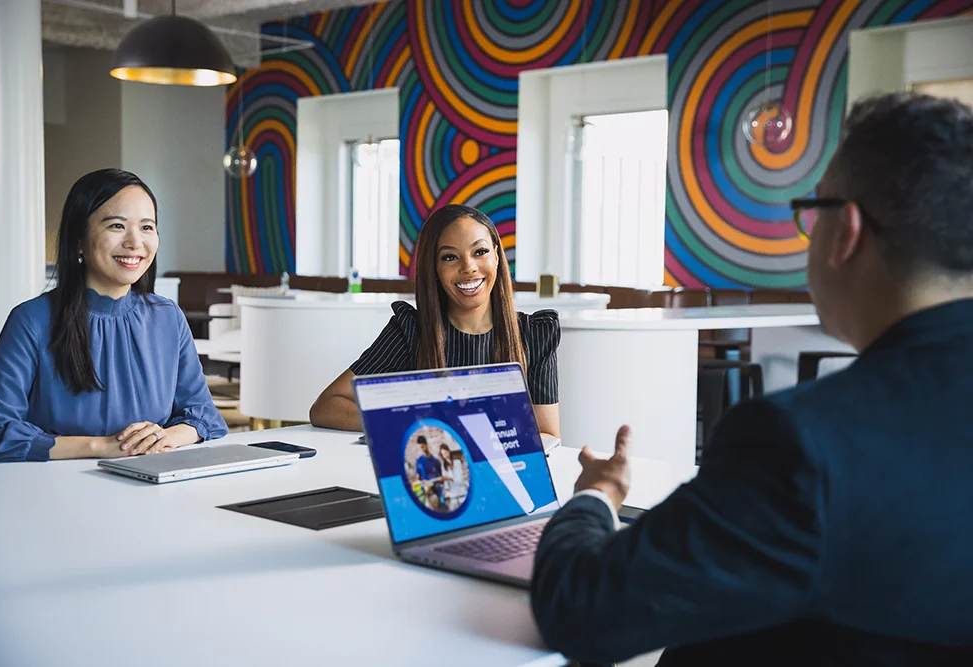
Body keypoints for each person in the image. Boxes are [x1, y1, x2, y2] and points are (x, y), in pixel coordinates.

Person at [530, 93, 973, 665]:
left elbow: (580, 608)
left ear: (847, 232)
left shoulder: (803, 444)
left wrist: (595, 496)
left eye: (813, 212)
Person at [0, 169, 227, 463]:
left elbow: (205, 417)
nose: (135, 242)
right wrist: (102, 447)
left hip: (152, 484)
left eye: (147, 227)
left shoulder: (168, 318)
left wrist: (166, 436)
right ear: (79, 239)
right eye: (117, 225)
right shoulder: (31, 320)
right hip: (54, 490)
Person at [309, 204, 560, 437]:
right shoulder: (410, 330)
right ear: (435, 269)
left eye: (480, 252)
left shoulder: (535, 333)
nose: (469, 267)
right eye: (450, 257)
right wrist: (419, 422)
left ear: (496, 256)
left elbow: (547, 434)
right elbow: (327, 406)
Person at [414, 435, 444, 510]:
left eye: (423, 446)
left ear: (427, 445)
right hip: (427, 492)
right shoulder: (419, 461)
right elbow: (418, 478)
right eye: (420, 448)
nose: (423, 449)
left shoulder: (436, 461)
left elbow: (441, 477)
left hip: (437, 490)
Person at [439, 443, 467, 510]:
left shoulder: (457, 462)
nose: (445, 456)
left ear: (449, 451)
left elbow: (460, 480)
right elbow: (446, 485)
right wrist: (446, 489)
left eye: (445, 453)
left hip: (462, 494)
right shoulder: (443, 467)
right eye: (443, 455)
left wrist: (449, 478)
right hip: (453, 496)